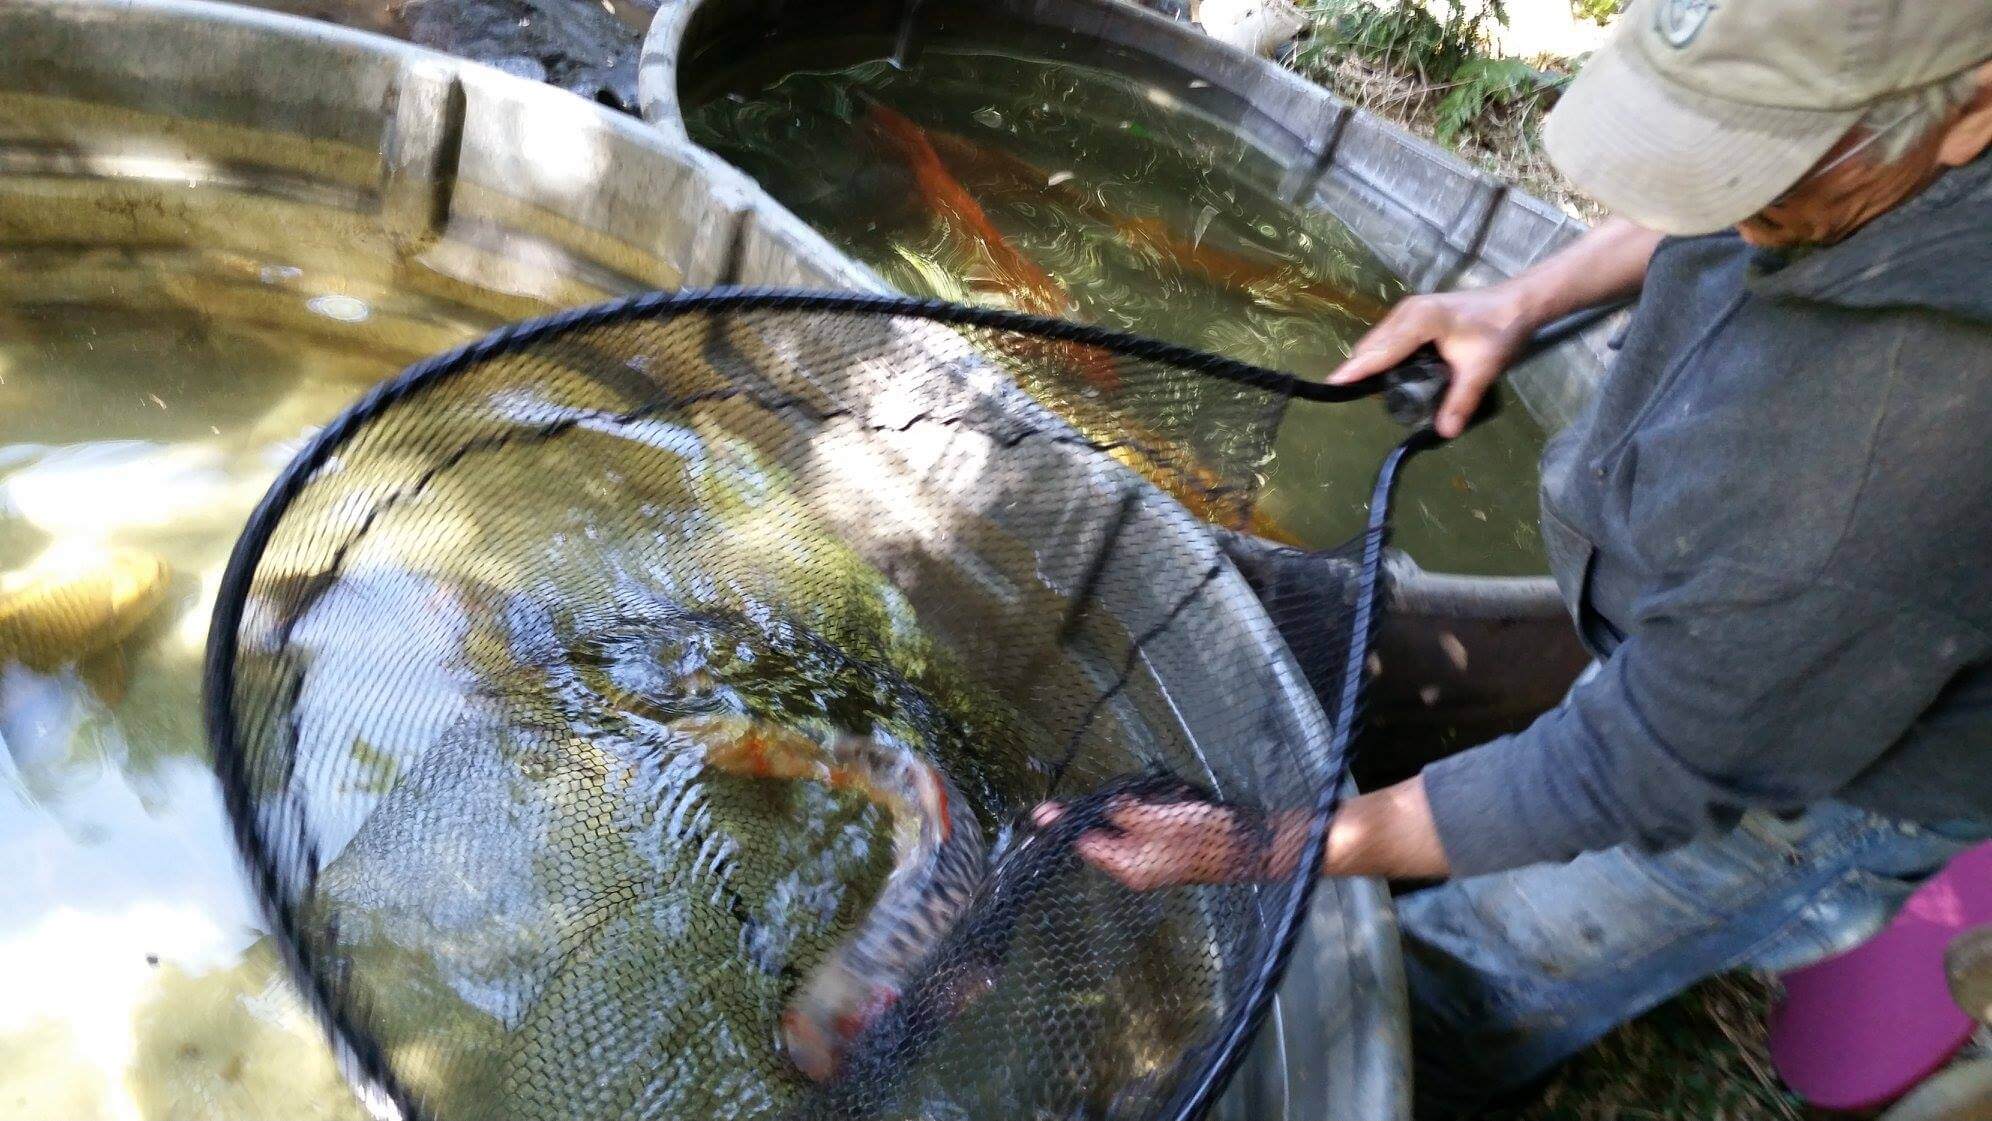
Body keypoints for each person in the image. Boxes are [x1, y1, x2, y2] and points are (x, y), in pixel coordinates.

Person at [1036, 0, 1992, 1110]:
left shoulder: (1881, 472)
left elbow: (1625, 767)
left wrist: (1268, 843)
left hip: (1827, 787)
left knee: (1498, 955)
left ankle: (1444, 1048)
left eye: (1764, 182)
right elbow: (1703, 210)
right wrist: (1519, 299)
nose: (1726, 210)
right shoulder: (1867, 169)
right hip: (1741, 644)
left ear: (1973, 109)